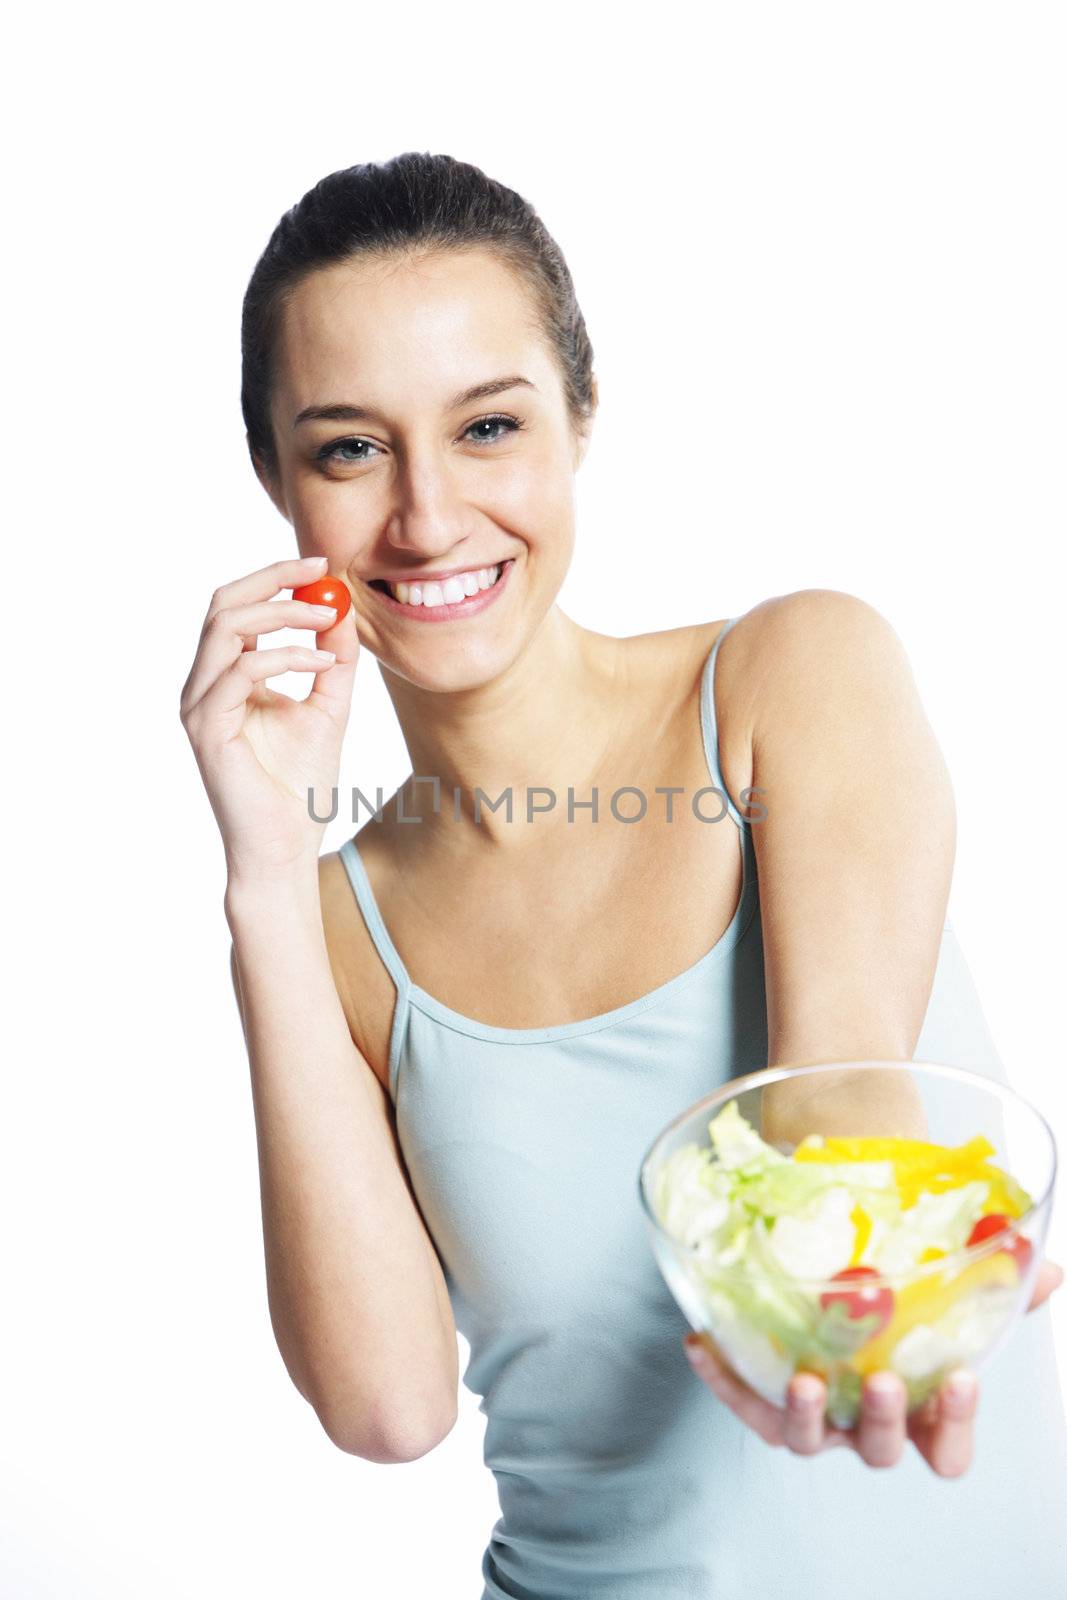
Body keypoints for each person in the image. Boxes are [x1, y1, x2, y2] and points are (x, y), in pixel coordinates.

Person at [180, 152, 1067, 1598]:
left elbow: (841, 1093)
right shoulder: (339, 926)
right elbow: (387, 1408)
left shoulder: (794, 673)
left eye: (487, 427)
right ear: (278, 480)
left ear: (581, 418)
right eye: (349, 449)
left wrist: (863, 1302)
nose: (426, 517)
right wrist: (267, 878)